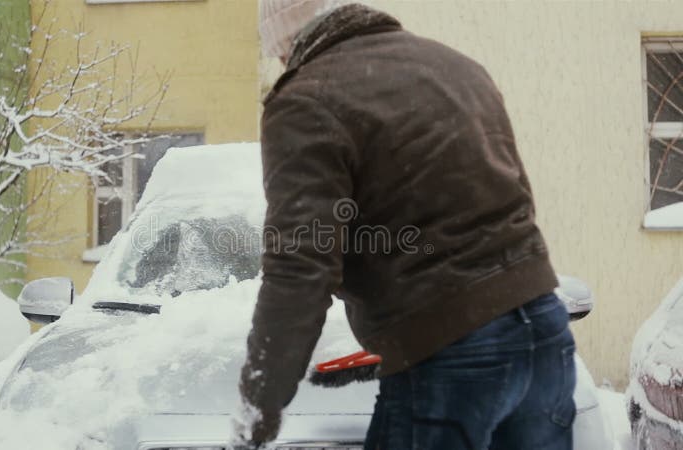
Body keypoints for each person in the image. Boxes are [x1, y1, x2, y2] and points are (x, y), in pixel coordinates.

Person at [232, 1, 576, 449]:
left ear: (287, 41)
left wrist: (260, 404)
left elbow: (300, 269)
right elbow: (515, 197)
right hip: (545, 332)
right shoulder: (457, 67)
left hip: (448, 352)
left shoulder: (304, 101)